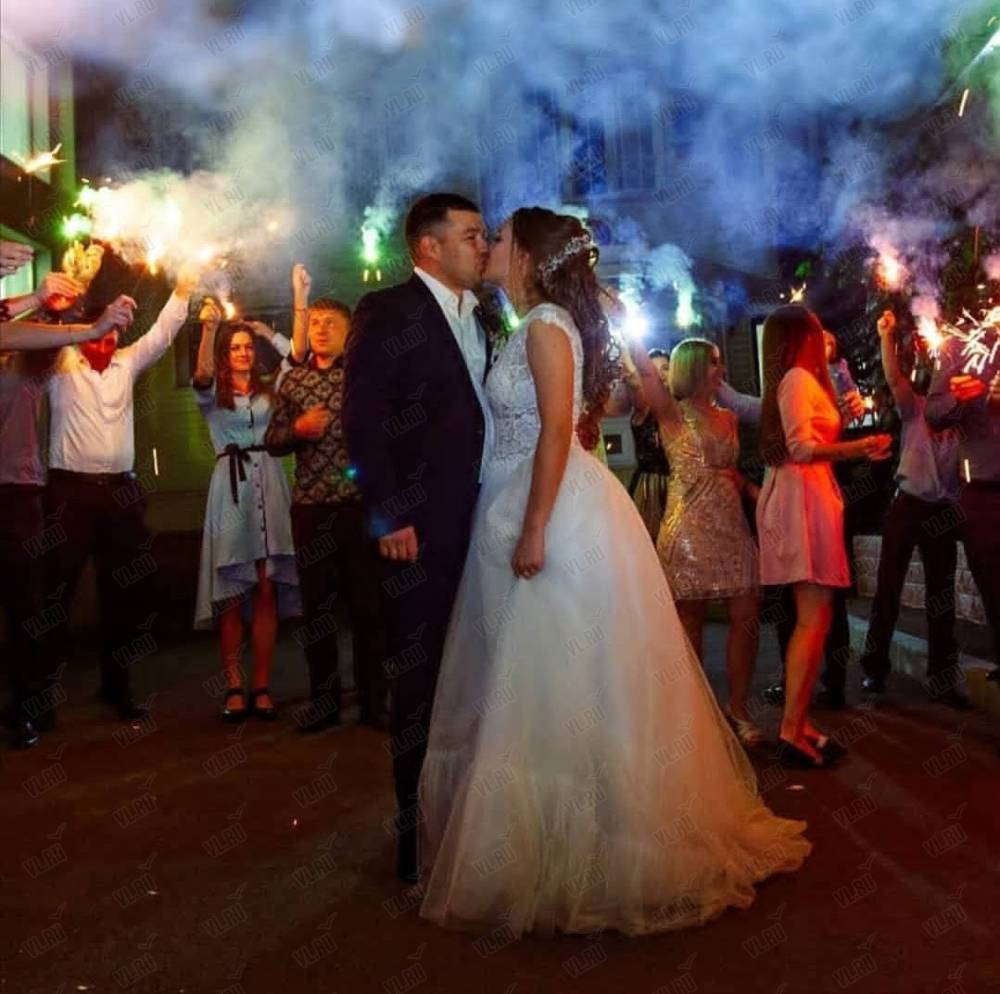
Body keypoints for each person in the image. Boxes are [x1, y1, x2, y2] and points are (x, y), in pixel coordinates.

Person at [418, 207, 810, 936]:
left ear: (527, 257)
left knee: (556, 678)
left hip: (552, 511)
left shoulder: (544, 327)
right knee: (537, 681)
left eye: (500, 238)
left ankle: (589, 849)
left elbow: (556, 431)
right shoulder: (532, 322)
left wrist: (535, 525)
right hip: (516, 503)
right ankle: (558, 844)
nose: (490, 244)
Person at [343, 192, 493, 882]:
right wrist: (389, 514)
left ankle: (469, 819)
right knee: (420, 675)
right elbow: (363, 419)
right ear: (429, 247)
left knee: (475, 670)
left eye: (484, 235)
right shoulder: (388, 311)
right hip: (419, 529)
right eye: (471, 235)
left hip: (483, 518)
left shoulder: (481, 315)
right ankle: (415, 834)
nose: (483, 246)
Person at [43, 269, 198, 720]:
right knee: (55, 595)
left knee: (123, 593)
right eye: (102, 333)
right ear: (87, 333)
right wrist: (62, 305)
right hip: (69, 494)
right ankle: (39, 695)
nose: (110, 342)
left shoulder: (126, 363)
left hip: (121, 494)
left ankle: (117, 686)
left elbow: (162, 335)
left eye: (115, 335)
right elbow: (45, 338)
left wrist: (183, 289)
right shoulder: (62, 363)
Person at [1, 269, 135, 748]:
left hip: (17, 494)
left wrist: (61, 313)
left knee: (27, 607)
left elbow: (33, 336)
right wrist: (42, 301)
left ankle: (25, 707)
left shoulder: (30, 360)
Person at [756, 305, 892, 767]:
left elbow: (808, 439)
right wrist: (859, 447)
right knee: (812, 619)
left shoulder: (801, 379)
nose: (824, 336)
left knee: (818, 618)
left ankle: (799, 723)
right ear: (802, 337)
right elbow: (800, 448)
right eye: (816, 330)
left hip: (810, 495)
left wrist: (847, 426)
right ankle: (791, 729)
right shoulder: (796, 378)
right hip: (802, 500)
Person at [265, 265, 387, 731]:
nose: (319, 329)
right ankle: (325, 703)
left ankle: (374, 703)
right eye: (314, 322)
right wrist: (297, 429)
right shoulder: (293, 382)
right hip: (312, 510)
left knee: (368, 608)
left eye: (330, 323)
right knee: (316, 611)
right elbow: (272, 440)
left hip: (360, 508)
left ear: (349, 331)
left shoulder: (365, 377)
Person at [640, 338, 765, 746]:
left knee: (746, 612)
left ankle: (738, 708)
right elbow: (646, 374)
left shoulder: (729, 418)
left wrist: (752, 489)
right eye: (713, 362)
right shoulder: (671, 413)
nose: (720, 369)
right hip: (688, 528)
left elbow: (733, 470)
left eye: (720, 362)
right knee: (689, 621)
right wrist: (625, 326)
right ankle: (693, 712)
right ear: (693, 367)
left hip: (731, 523)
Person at [192, 302, 299, 721]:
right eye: (235, 348)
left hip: (268, 482)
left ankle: (262, 685)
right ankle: (234, 684)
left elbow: (296, 356)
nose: (243, 353)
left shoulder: (270, 390)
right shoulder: (211, 394)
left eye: (248, 347)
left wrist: (265, 331)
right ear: (225, 354)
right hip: (231, 488)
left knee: (266, 589)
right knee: (233, 594)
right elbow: (202, 374)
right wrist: (209, 329)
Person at [859, 311, 965, 706]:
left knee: (941, 595)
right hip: (908, 504)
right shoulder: (916, 408)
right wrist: (886, 336)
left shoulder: (964, 422)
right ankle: (874, 669)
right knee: (888, 587)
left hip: (944, 509)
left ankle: (942, 679)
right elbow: (893, 379)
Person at [925, 319, 1000, 682]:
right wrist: (963, 396)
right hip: (983, 490)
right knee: (993, 583)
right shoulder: (959, 346)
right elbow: (934, 412)